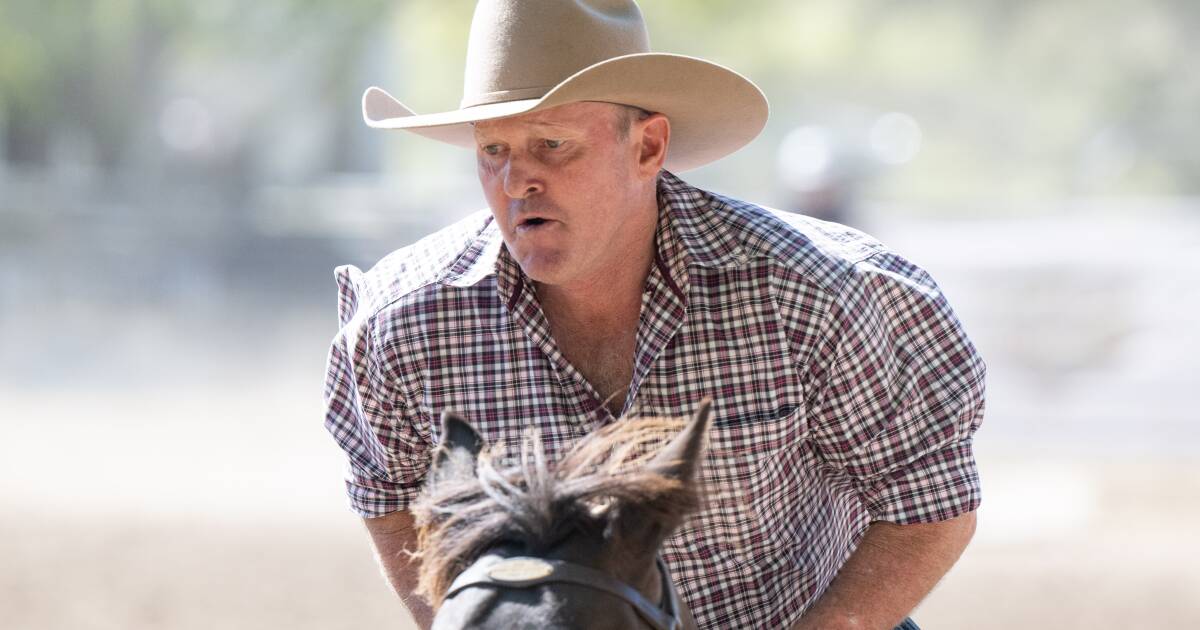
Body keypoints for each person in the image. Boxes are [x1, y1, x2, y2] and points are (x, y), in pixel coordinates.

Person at [322, 1, 986, 628]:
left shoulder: (811, 294)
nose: (517, 181)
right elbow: (388, 498)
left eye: (552, 145)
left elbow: (929, 506)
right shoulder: (406, 323)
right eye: (493, 151)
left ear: (647, 147)